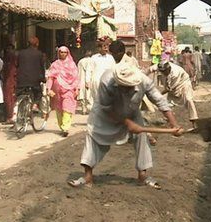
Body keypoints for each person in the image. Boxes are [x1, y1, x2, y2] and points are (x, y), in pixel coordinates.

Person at [68, 40, 182, 189]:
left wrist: (174, 125)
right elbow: (106, 107)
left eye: (129, 88)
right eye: (122, 87)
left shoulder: (143, 81)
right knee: (92, 135)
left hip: (132, 113)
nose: (125, 91)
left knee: (142, 138)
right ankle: (87, 177)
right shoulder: (106, 81)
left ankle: (143, 176)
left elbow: (160, 101)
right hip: (105, 114)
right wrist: (127, 123)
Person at [146, 61, 200, 129]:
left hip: (183, 84)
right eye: (162, 71)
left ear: (168, 69)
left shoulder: (175, 73)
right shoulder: (160, 66)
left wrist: (156, 95)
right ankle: (168, 120)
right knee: (167, 104)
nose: (163, 73)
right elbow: (149, 70)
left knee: (188, 100)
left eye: (165, 71)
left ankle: (194, 122)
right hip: (172, 85)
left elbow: (169, 89)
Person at [47, 46, 80, 137]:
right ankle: (62, 126)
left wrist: (77, 89)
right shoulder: (55, 64)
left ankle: (66, 127)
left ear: (67, 53)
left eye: (65, 52)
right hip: (57, 91)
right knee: (59, 109)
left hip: (69, 89)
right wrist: (48, 89)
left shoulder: (72, 65)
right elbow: (50, 77)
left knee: (67, 107)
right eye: (61, 52)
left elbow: (76, 77)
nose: (63, 54)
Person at [16, 36, 45, 110]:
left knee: (19, 93)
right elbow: (42, 67)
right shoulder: (39, 54)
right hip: (34, 80)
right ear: (37, 44)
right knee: (38, 93)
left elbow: (17, 65)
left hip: (21, 80)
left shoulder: (21, 53)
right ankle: (35, 104)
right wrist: (43, 78)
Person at [87, 37, 116, 104]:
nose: (106, 48)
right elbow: (89, 70)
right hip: (96, 81)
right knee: (97, 99)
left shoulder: (110, 58)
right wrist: (87, 81)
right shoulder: (94, 58)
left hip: (108, 82)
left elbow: (113, 69)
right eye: (104, 46)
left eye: (107, 46)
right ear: (99, 48)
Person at [1, 44, 17, 124]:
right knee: (9, 99)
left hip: (10, 81)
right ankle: (10, 116)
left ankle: (10, 117)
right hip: (9, 80)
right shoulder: (11, 58)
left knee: (9, 99)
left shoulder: (10, 58)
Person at [77, 50, 93, 114]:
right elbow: (89, 71)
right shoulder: (91, 61)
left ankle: (83, 109)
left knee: (82, 94)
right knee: (89, 95)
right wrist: (88, 81)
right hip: (89, 79)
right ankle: (89, 108)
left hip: (81, 79)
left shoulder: (80, 61)